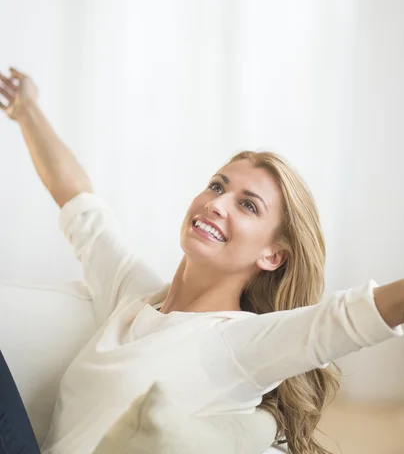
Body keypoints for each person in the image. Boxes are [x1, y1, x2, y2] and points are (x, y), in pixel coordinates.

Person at [0, 66, 403, 454]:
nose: (217, 203)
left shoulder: (238, 344)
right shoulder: (132, 293)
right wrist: (27, 109)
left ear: (272, 254)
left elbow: (349, 319)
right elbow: (79, 202)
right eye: (216, 186)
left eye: (247, 206)